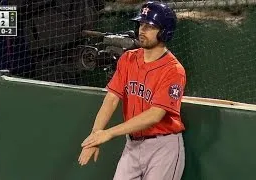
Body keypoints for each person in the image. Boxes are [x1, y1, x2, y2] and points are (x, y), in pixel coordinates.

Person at [78, 1, 186, 180]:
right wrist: (95, 136)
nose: (142, 30)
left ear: (165, 31)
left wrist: (109, 133)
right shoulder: (128, 59)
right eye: (141, 24)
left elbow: (154, 115)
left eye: (150, 26)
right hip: (133, 145)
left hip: (163, 148)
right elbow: (111, 99)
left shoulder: (173, 70)